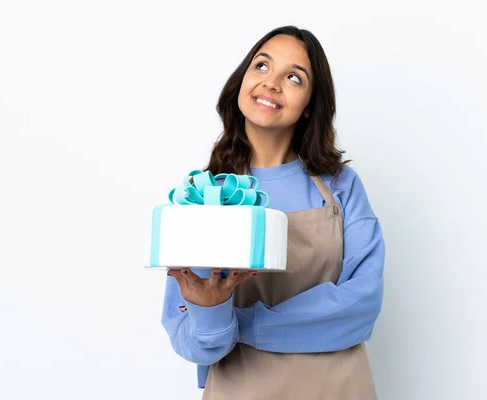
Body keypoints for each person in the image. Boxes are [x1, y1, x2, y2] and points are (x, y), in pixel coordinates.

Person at [161, 25, 385, 399]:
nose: (272, 83)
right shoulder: (206, 196)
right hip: (241, 388)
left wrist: (238, 324)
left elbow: (362, 305)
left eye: (294, 77)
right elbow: (193, 342)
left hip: (338, 388)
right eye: (262, 67)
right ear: (242, 81)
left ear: (311, 103)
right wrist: (211, 313)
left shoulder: (341, 186)